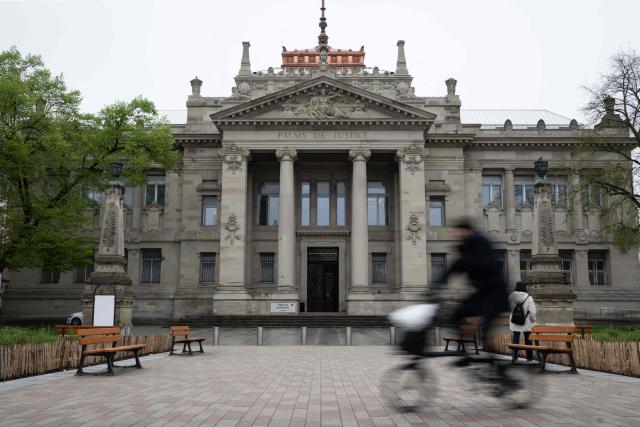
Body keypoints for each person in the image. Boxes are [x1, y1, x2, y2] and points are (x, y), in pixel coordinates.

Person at [442, 219, 510, 348]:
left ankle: (488, 361)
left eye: (458, 232)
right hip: (486, 293)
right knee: (458, 313)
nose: (456, 235)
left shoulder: (477, 242)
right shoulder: (472, 244)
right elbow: (461, 263)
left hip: (494, 295)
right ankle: (468, 353)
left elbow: (464, 263)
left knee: (481, 327)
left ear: (465, 230)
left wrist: (444, 279)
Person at [509, 281, 537, 362]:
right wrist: (533, 319)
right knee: (528, 340)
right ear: (525, 288)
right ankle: (529, 358)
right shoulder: (529, 298)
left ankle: (514, 357)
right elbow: (532, 312)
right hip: (526, 322)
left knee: (515, 338)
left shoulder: (511, 297)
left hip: (514, 321)